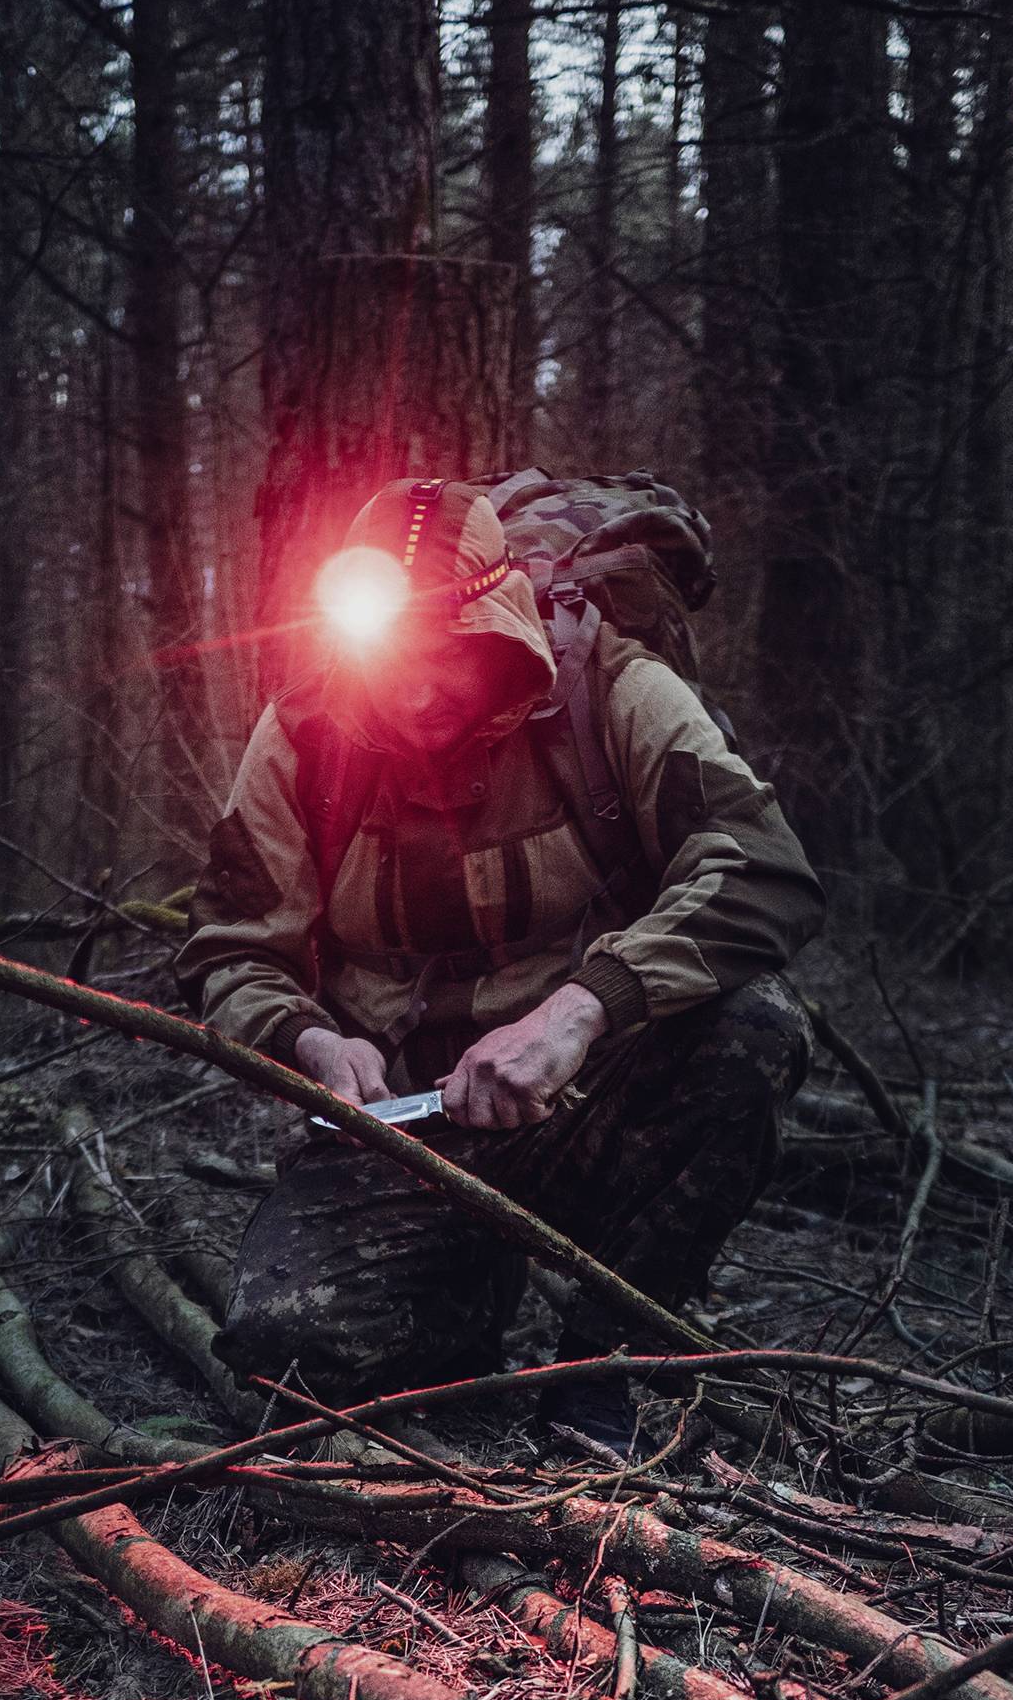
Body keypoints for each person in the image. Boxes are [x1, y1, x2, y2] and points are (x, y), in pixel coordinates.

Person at [175, 476, 824, 1453]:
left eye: (451, 654)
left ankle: (603, 1361)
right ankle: (462, 1292)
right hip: (399, 1129)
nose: (419, 689)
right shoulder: (304, 737)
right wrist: (307, 1038)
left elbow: (764, 870)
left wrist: (579, 1011)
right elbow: (229, 945)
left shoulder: (612, 689)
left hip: (584, 1099)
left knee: (753, 1033)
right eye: (393, 662)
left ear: (502, 621)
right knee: (291, 1354)